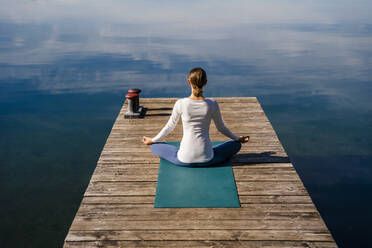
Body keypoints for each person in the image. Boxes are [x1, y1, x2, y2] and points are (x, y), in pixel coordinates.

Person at [142, 67, 249, 167]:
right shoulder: (212, 104)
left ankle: (159, 144)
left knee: (154, 146)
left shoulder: (181, 103)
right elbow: (221, 128)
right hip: (208, 159)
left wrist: (153, 140)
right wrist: (237, 138)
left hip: (184, 159)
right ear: (205, 83)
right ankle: (213, 150)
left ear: (188, 82)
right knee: (236, 145)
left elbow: (169, 127)